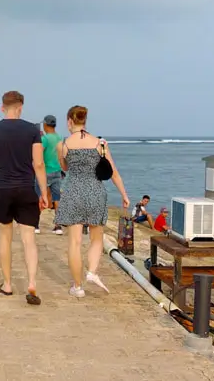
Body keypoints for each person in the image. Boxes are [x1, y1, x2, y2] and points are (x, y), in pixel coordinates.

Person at [0, 91, 48, 305]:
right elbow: (38, 164)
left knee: (5, 238)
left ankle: (8, 285)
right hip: (26, 189)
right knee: (29, 239)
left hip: (3, 189)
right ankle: (32, 283)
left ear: (2, 107)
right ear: (21, 107)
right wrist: (44, 192)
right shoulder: (32, 131)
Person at [55, 105, 130, 298]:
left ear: (69, 121)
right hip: (95, 192)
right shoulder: (100, 144)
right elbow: (113, 173)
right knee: (96, 238)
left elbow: (64, 167)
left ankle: (77, 287)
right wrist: (124, 195)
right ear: (85, 121)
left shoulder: (63, 144)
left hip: (73, 193)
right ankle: (92, 272)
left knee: (75, 242)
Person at [35, 115, 63, 235]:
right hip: (57, 171)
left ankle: (36, 225)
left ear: (45, 125)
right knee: (57, 198)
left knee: (39, 197)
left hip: (45, 172)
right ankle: (58, 226)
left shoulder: (44, 139)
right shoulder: (60, 138)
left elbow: (38, 155)